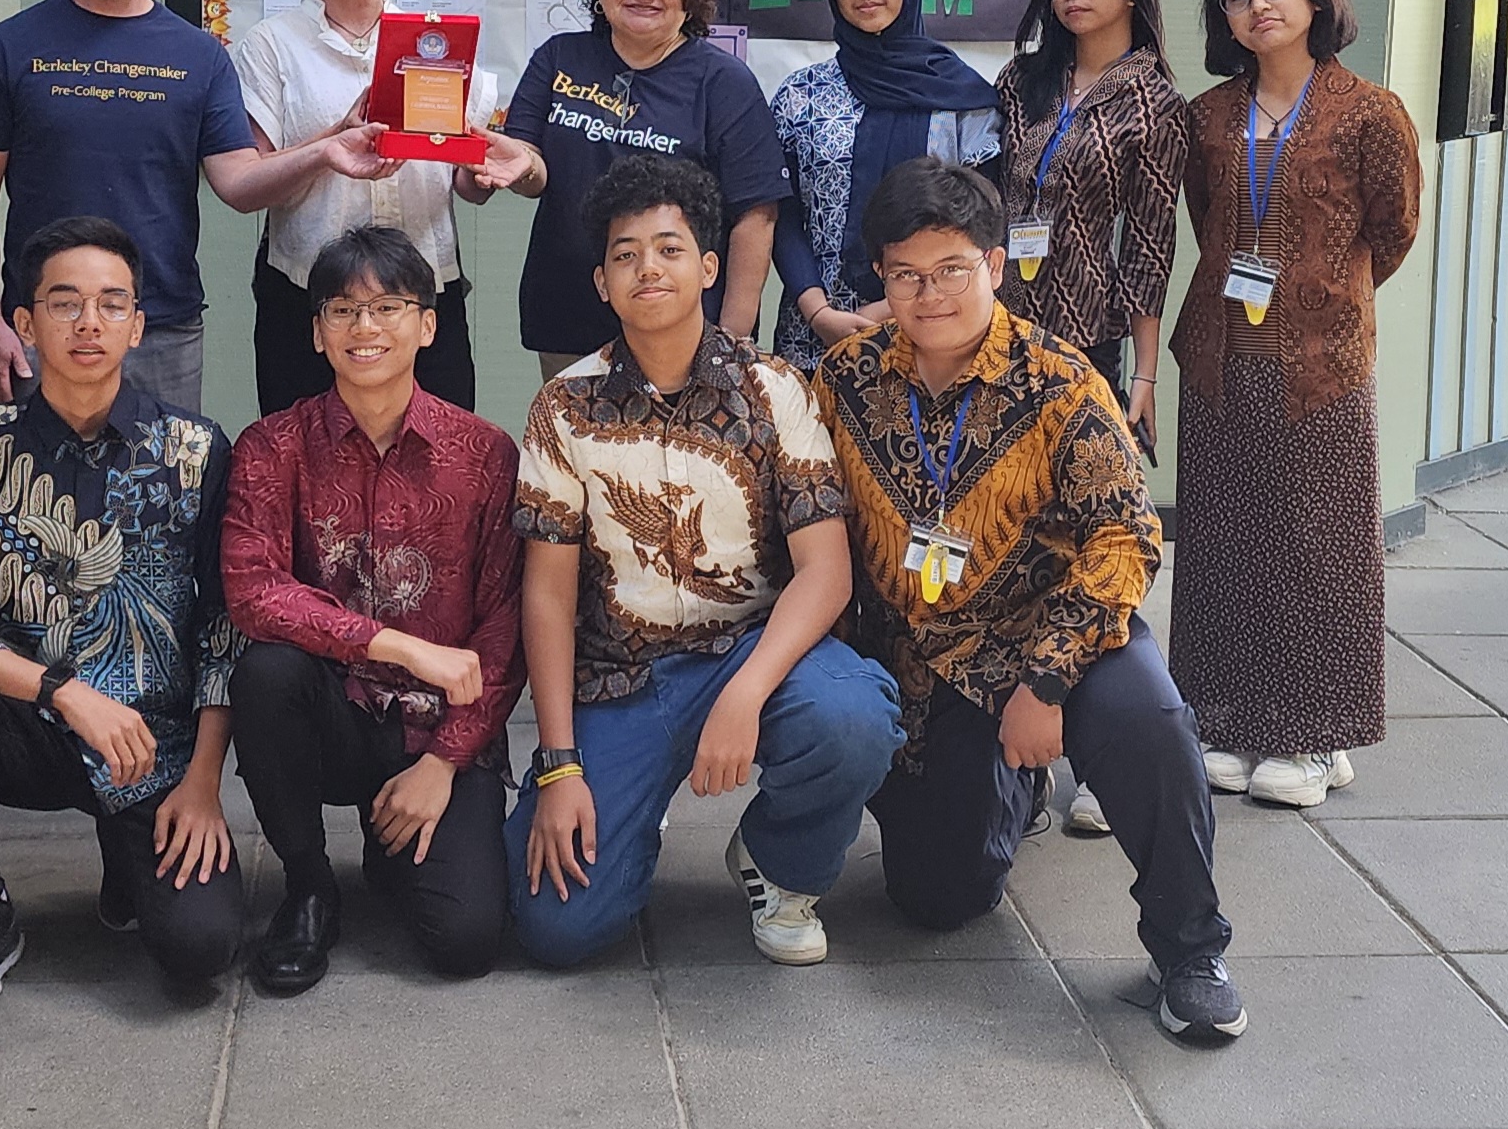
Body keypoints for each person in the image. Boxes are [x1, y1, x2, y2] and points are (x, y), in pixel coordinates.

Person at [810, 157, 1245, 1042]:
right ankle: (1013, 786)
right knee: (937, 900)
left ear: (995, 264)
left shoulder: (1062, 384)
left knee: (1148, 718)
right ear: (880, 277)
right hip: (922, 662)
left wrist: (1044, 685)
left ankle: (1189, 946)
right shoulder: (843, 377)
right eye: (904, 274)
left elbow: (1127, 539)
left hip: (1054, 636)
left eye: (951, 269)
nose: (928, 294)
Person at [507, 155, 902, 968]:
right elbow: (545, 599)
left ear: (709, 267)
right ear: (601, 283)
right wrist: (556, 766)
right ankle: (632, 808)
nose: (647, 267)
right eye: (625, 254)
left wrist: (747, 691)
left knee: (853, 718)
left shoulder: (774, 389)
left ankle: (779, 862)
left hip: (755, 652)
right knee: (556, 929)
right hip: (624, 676)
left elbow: (825, 570)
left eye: (668, 247)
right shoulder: (562, 407)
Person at [0, 215, 243, 1004]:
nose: (89, 323)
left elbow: (223, 626)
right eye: (65, 302)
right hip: (28, 722)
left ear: (138, 324)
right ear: (25, 321)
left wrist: (206, 782)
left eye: (112, 304)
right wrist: (60, 690)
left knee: (200, 949)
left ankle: (130, 861)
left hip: (155, 741)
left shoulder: (196, 448)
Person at [0, 0, 394, 413]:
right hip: (42, 328)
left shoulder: (199, 55)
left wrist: (327, 147)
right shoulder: (7, 48)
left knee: (168, 498)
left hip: (162, 328)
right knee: (39, 501)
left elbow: (238, 182)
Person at [223, 225, 524, 995]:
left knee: (464, 940)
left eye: (387, 306)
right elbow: (251, 589)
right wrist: (396, 645)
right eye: (342, 309)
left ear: (427, 323)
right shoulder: (270, 445)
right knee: (265, 670)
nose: (365, 327)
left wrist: (444, 760)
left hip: (438, 723)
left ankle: (395, 840)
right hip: (329, 710)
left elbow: (503, 622)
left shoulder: (485, 452)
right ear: (316, 331)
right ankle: (307, 882)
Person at [1171, 0, 1420, 810]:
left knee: (1317, 548)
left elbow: (1391, 232)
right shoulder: (1205, 115)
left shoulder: (1369, 112)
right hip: (1216, 356)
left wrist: (1324, 294)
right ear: (1224, 20)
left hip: (1320, 363)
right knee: (1222, 540)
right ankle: (1227, 716)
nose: (1257, 5)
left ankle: (1312, 735)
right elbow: (1208, 222)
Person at [993, 0, 1186, 838]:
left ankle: (1100, 753)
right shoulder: (1022, 81)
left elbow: (1148, 247)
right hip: (998, 338)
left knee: (1089, 537)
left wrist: (1142, 377)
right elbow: (994, 204)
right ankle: (1017, 756)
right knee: (1006, 526)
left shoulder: (1153, 102)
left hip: (1083, 345)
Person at [230, 0, 531, 414]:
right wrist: (330, 145)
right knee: (305, 465)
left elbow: (464, 182)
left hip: (424, 292)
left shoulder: (434, 42)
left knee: (438, 463)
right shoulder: (271, 45)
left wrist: (485, 173)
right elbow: (247, 187)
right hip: (308, 298)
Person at [494, 0, 786, 380]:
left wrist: (731, 339)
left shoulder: (724, 82)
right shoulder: (558, 57)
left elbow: (756, 216)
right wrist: (521, 166)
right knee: (578, 449)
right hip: (567, 315)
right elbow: (531, 170)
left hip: (684, 331)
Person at [769, 0, 998, 374]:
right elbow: (781, 213)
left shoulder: (962, 97)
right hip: (816, 336)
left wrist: (888, 309)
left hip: (933, 329)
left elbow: (982, 223)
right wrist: (818, 312)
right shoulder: (802, 94)